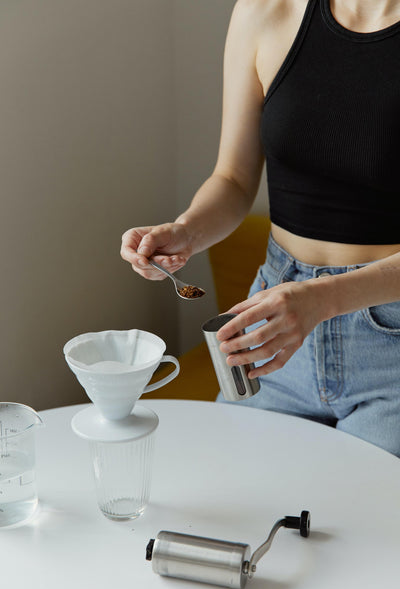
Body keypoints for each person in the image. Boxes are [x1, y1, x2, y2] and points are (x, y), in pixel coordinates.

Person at [120, 0, 400, 457]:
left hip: (391, 341)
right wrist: (188, 231)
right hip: (271, 326)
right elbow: (232, 178)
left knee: (373, 522)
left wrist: (322, 299)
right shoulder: (264, 12)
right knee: (242, 506)